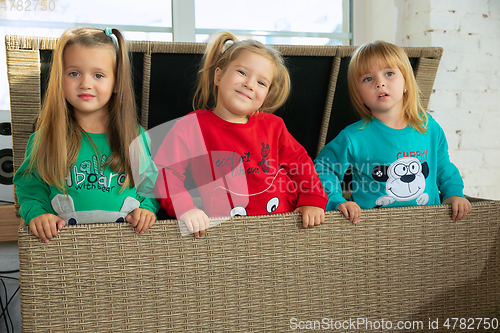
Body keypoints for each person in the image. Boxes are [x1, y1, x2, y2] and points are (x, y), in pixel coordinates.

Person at [154, 31, 327, 237]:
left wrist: (312, 198)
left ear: (266, 95)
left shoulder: (274, 126)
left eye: (262, 82)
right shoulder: (192, 126)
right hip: (227, 234)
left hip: (284, 227)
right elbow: (166, 172)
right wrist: (185, 208)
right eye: (242, 73)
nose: (250, 84)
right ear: (218, 76)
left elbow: (300, 164)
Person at [13, 27, 159, 243]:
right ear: (59, 78)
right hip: (64, 251)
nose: (85, 84)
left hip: (127, 248)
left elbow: (150, 186)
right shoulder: (45, 138)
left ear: (116, 82)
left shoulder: (134, 137)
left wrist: (147, 210)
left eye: (98, 75)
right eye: (74, 73)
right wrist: (38, 214)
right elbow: (30, 187)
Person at [315, 40, 471, 224]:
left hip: (428, 226)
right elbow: (322, 169)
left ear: (405, 82)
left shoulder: (428, 126)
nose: (380, 83)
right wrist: (336, 200)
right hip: (372, 231)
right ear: (358, 93)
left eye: (389, 74)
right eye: (368, 79)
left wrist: (453, 194)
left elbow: (443, 167)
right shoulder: (353, 137)